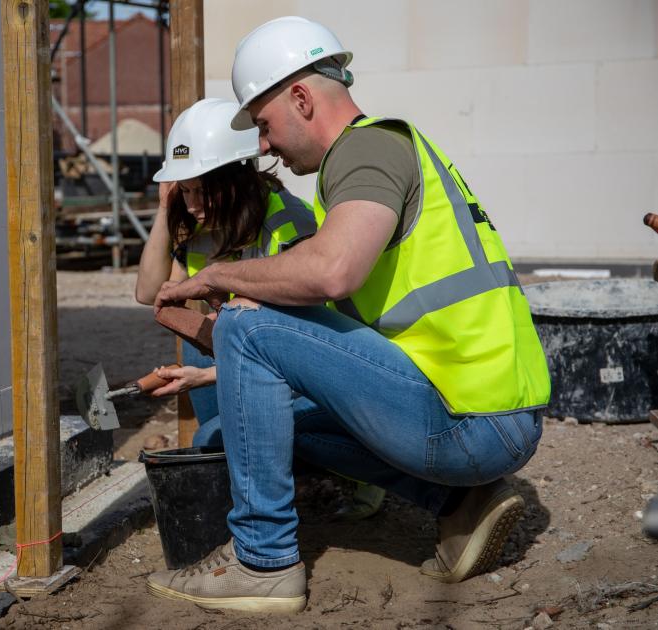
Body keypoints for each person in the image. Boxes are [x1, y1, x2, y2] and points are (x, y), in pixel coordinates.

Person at [146, 16, 551, 614]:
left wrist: (216, 279)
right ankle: (458, 507)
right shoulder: (385, 153)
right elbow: (339, 309)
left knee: (243, 327)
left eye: (263, 124)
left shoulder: (366, 148)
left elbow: (333, 271)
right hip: (491, 414)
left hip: (471, 420)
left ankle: (262, 561)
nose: (263, 146)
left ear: (303, 99)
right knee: (276, 410)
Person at [136, 97, 386, 517]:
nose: (193, 204)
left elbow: (304, 348)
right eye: (187, 190)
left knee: (210, 440)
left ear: (235, 179)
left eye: (202, 190)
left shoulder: (289, 224)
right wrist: (165, 210)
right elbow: (148, 292)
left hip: (313, 377)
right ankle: (258, 474)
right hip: (251, 369)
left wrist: (205, 376)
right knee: (203, 332)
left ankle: (365, 471)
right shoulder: (200, 230)